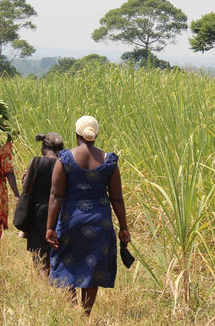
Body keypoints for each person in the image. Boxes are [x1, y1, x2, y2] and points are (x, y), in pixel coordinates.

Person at [46, 115, 130, 316]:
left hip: (70, 220)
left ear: (77, 134)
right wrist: (124, 227)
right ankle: (85, 314)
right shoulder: (109, 161)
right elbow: (117, 199)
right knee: (92, 267)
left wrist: (50, 227)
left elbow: (56, 195)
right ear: (96, 135)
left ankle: (72, 307)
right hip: (100, 222)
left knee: (68, 262)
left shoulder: (65, 159)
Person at [21, 132, 64, 276]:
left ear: (44, 146)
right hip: (60, 213)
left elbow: (27, 189)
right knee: (56, 254)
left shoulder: (36, 162)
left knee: (39, 258)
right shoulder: (65, 163)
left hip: (38, 213)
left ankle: (43, 288)